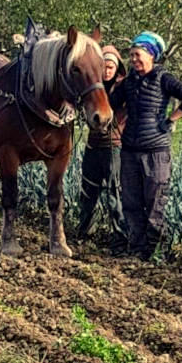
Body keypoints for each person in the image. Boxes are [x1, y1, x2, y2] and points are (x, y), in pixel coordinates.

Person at [108, 31, 182, 260]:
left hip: (156, 151)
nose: (134, 60)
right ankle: (136, 248)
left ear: (151, 55)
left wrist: (170, 120)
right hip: (129, 150)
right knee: (130, 202)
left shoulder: (163, 78)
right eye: (131, 56)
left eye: (138, 55)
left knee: (155, 202)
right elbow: (111, 102)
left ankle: (155, 250)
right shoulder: (129, 83)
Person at [75, 44, 129, 248]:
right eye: (103, 67)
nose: (107, 71)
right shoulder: (93, 88)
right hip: (93, 144)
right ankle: (85, 231)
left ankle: (120, 236)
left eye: (110, 67)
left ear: (117, 69)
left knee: (115, 192)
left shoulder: (124, 87)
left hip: (113, 145)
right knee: (88, 189)